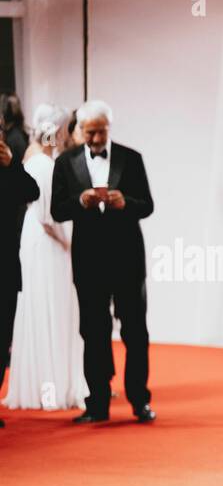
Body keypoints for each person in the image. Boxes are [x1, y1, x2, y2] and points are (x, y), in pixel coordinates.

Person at [50, 100, 155, 424]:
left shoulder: (131, 158)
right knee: (93, 333)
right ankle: (97, 404)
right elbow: (57, 211)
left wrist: (127, 203)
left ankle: (140, 401)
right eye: (90, 133)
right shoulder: (66, 162)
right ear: (80, 131)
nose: (96, 140)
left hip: (127, 259)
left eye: (101, 132)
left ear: (109, 129)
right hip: (89, 260)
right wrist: (79, 201)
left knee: (135, 333)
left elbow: (148, 205)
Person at [3, 104, 87, 414]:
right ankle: (52, 385)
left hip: (35, 240)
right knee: (51, 305)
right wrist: (68, 244)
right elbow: (47, 217)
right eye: (65, 130)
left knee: (42, 307)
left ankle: (43, 382)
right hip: (47, 245)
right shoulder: (43, 164)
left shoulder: (32, 157)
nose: (66, 136)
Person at [0, 123, 41, 429]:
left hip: (4, 266)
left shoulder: (8, 170)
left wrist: (12, 164)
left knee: (2, 339)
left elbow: (32, 192)